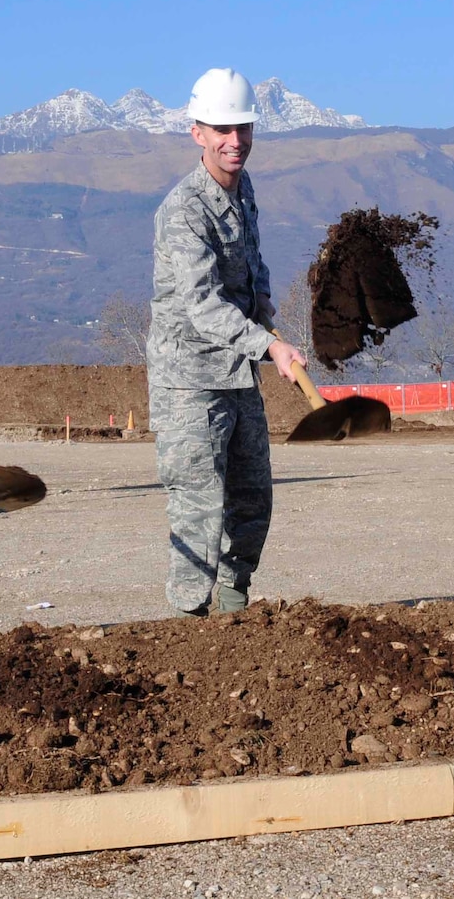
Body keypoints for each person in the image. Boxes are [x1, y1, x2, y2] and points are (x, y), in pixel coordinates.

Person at [147, 68, 307, 616]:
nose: (234, 140)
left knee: (252, 496)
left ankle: (236, 602)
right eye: (222, 129)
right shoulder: (183, 210)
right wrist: (270, 346)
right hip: (190, 379)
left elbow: (252, 261)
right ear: (198, 133)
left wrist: (263, 300)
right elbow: (204, 305)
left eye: (242, 128)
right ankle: (189, 619)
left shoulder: (244, 191)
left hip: (237, 374)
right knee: (197, 504)